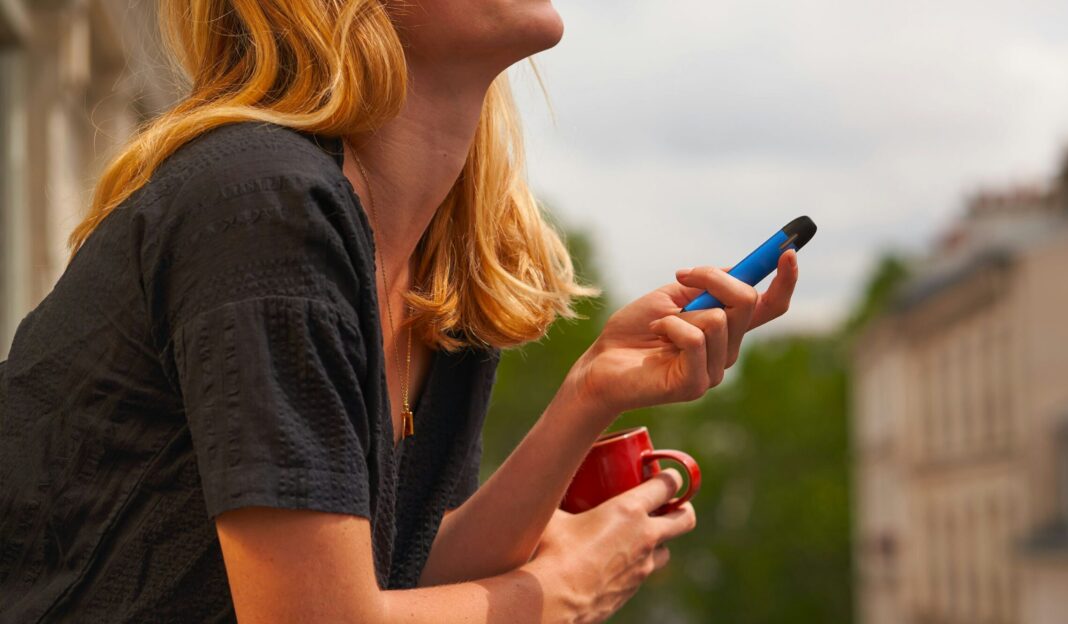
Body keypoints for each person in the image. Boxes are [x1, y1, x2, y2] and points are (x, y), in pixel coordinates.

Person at [0, 0, 799, 622]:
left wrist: (595, 389)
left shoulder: (439, 271)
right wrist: (558, 592)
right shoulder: (264, 207)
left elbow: (400, 575)